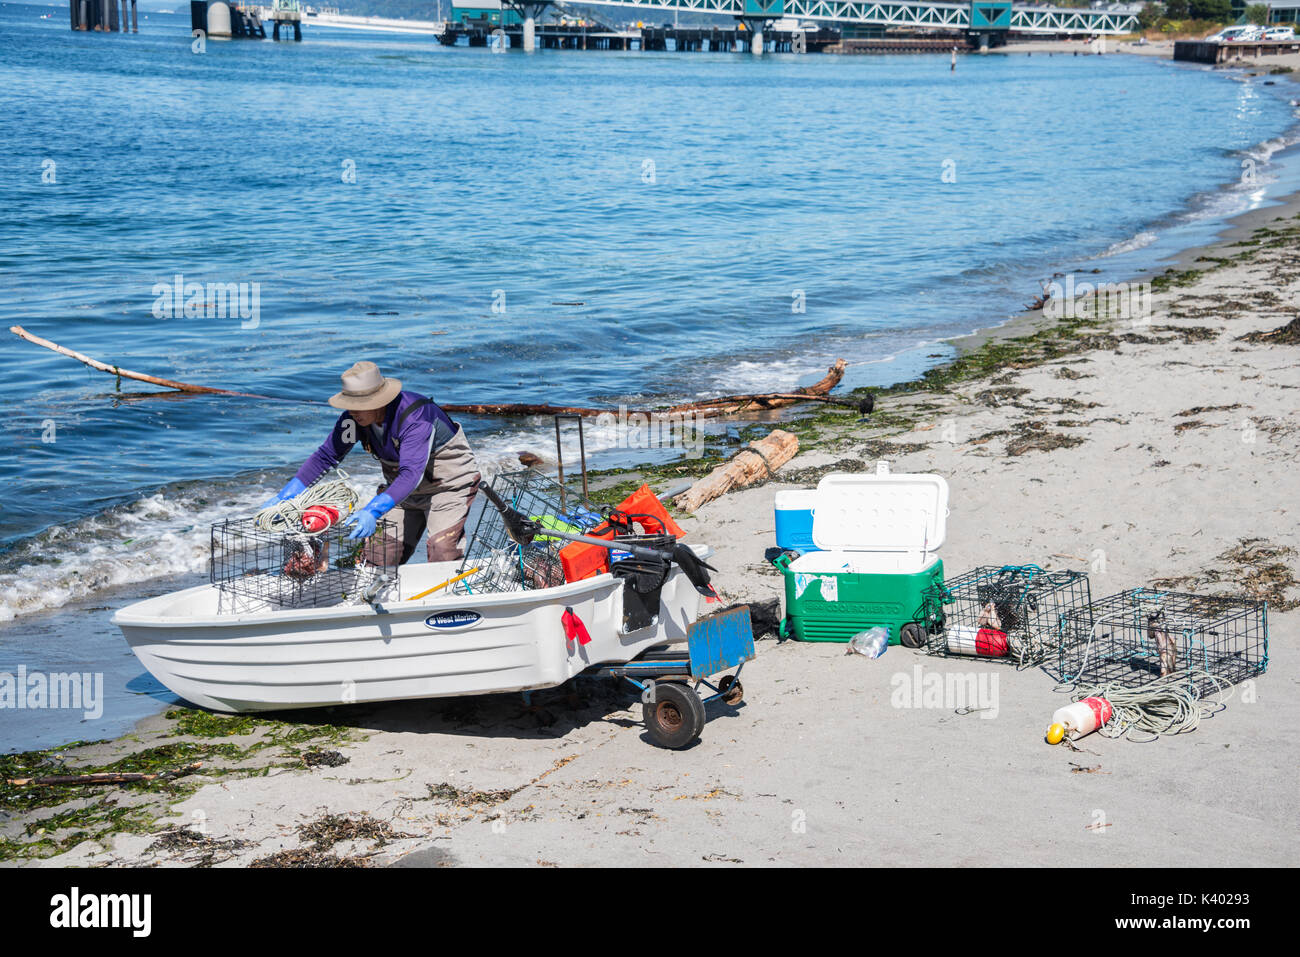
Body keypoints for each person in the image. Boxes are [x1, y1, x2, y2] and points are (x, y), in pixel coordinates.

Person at [263, 361, 480, 564]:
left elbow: (411, 474)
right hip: (402, 494)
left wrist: (373, 510)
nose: (353, 411)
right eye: (349, 405)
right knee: (378, 554)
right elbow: (326, 457)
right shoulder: (353, 420)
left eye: (360, 405)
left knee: (442, 550)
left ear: (380, 401)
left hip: (447, 489)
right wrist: (288, 495)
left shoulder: (415, 419)